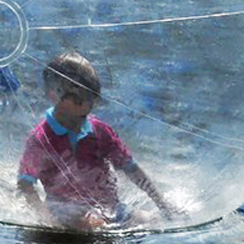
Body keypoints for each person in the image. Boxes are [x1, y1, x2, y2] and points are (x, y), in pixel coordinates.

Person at [17, 51, 173, 230]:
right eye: (78, 99)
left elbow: (131, 168)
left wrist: (162, 204)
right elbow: (25, 185)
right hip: (64, 209)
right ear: (52, 94)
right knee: (86, 225)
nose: (87, 105)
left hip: (109, 207)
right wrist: (46, 220)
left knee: (150, 221)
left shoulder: (100, 131)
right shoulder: (40, 140)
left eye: (92, 98)